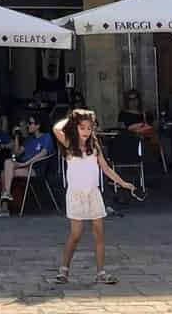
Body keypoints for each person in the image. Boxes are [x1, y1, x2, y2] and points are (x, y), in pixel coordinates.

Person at [50, 109, 135, 286]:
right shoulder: (69, 145)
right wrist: (71, 120)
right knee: (75, 234)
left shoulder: (94, 148)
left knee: (99, 234)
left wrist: (123, 183)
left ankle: (101, 272)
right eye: (82, 128)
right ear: (75, 128)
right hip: (76, 194)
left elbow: (106, 169)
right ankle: (64, 269)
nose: (86, 132)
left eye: (89, 128)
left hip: (93, 194)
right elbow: (56, 129)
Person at [0, 116, 56, 216]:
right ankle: (7, 195)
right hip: (24, 167)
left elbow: (43, 153)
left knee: (5, 173)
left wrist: (25, 163)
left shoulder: (46, 137)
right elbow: (16, 153)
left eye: (30, 123)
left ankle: (4, 208)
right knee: (7, 164)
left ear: (38, 126)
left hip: (36, 169)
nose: (28, 126)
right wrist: (16, 136)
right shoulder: (29, 139)